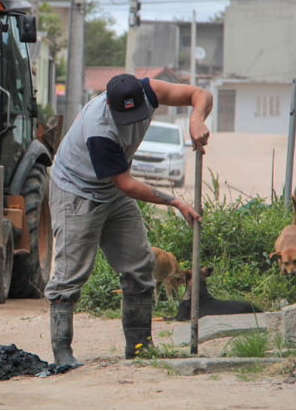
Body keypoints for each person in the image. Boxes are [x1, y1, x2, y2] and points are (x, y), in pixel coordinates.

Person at [45, 73, 213, 369]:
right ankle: (62, 351)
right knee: (70, 272)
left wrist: (196, 118)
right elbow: (125, 184)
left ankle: (139, 346)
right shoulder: (99, 130)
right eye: (126, 116)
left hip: (112, 189)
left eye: (137, 113)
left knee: (139, 264)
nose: (133, 122)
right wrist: (174, 200)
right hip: (77, 190)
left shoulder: (148, 90)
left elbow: (199, 94)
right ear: (109, 105)